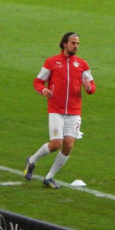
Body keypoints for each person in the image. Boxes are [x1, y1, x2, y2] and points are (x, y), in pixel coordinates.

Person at [24, 32, 96, 189]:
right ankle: (32, 160)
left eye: (77, 43)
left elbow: (92, 87)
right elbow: (38, 82)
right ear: (64, 44)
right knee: (56, 144)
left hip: (74, 111)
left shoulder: (82, 65)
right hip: (56, 109)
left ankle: (49, 177)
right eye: (73, 43)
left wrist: (89, 87)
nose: (75, 46)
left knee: (69, 145)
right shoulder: (52, 62)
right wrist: (43, 90)